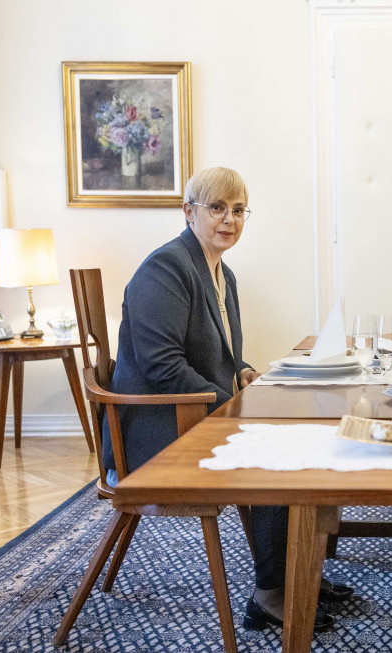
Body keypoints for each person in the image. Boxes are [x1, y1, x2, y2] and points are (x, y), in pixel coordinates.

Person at [105, 167, 351, 632]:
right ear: (188, 211)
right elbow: (164, 368)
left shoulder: (223, 273)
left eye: (238, 211)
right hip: (157, 436)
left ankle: (299, 573)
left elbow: (221, 355)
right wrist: (236, 406)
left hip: (195, 416)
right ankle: (271, 596)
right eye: (217, 208)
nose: (229, 220)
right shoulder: (165, 268)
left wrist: (243, 372)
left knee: (305, 438)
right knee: (282, 450)